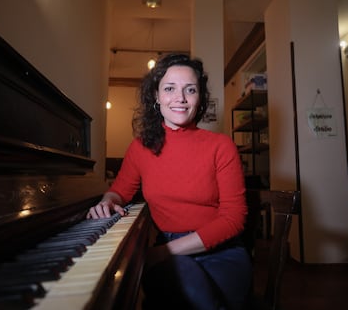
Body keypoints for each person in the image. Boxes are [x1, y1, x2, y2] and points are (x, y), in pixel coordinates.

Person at [87, 53, 252, 310]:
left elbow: (234, 218)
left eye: (190, 89)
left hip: (221, 253)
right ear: (156, 95)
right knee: (190, 294)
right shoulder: (140, 148)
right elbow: (120, 191)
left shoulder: (221, 146)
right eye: (169, 88)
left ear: (200, 98)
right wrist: (108, 200)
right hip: (169, 255)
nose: (180, 98)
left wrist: (161, 253)